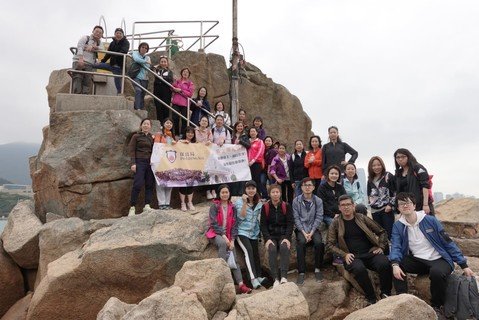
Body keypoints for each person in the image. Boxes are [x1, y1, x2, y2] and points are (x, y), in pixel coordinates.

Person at [390, 192, 474, 316]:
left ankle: (437, 306)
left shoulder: (429, 220)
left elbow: (447, 242)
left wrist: (463, 265)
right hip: (418, 260)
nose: (405, 206)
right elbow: (396, 245)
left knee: (437, 273)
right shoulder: (398, 225)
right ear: (398, 208)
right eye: (401, 204)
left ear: (414, 205)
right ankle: (403, 299)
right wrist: (395, 264)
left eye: (407, 203)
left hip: (439, 259)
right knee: (394, 264)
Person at [327, 195, 393, 305]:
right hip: (352, 256)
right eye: (343, 205)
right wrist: (344, 255)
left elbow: (382, 232)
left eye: (348, 204)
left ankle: (386, 293)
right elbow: (330, 244)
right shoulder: (336, 223)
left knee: (384, 263)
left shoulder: (361, 218)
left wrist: (381, 247)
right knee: (359, 269)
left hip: (370, 253)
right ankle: (371, 297)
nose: (346, 207)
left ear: (353, 206)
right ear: (339, 208)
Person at [205, 184, 252, 294]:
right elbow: (214, 224)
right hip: (216, 234)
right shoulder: (214, 206)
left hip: (230, 236)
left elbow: (235, 225)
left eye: (227, 192)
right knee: (222, 244)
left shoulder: (232, 207)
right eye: (223, 192)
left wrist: (232, 240)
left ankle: (241, 284)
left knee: (234, 259)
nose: (225, 194)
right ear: (219, 194)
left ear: (229, 193)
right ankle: (223, 274)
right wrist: (226, 239)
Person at [260, 184, 294, 287]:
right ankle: (275, 278)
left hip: (283, 234)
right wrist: (267, 239)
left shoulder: (286, 206)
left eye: (277, 192)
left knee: (284, 248)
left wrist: (287, 238)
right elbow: (263, 225)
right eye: (273, 192)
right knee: (272, 250)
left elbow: (290, 223)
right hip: (271, 235)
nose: (275, 194)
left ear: (280, 193)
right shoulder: (265, 207)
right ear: (269, 194)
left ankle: (284, 276)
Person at [292, 177, 325, 285]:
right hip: (301, 229)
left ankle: (317, 268)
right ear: (301, 187)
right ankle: (301, 272)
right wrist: (304, 232)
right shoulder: (296, 201)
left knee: (319, 243)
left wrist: (310, 232)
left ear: (313, 187)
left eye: (309, 185)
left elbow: (319, 217)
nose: (307, 187)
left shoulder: (318, 201)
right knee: (301, 243)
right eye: (305, 185)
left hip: (313, 229)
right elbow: (296, 218)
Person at [235, 180, 265, 289]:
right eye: (248, 188)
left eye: (253, 188)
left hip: (254, 233)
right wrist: (244, 203)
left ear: (256, 190)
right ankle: (253, 279)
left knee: (256, 254)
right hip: (242, 233)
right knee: (248, 252)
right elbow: (241, 217)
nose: (251, 190)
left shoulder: (259, 203)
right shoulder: (239, 202)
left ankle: (259, 276)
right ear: (245, 190)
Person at [394, 148, 434, 214]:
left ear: (408, 157)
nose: (400, 159)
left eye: (403, 156)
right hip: (408, 207)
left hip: (421, 204)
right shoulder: (398, 173)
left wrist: (425, 204)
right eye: (397, 157)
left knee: (428, 223)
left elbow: (425, 185)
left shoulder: (417, 168)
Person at [128, 118, 155, 216]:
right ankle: (132, 207)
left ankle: (147, 205)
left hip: (150, 163)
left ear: (150, 126)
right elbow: (131, 150)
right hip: (139, 162)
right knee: (137, 184)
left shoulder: (152, 138)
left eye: (148, 124)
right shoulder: (136, 136)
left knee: (149, 184)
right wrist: (133, 163)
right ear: (141, 125)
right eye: (144, 124)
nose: (146, 125)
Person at [367, 156, 396, 240]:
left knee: (389, 233)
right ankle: (384, 252)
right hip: (375, 211)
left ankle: (393, 252)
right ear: (371, 167)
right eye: (374, 165)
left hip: (386, 209)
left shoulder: (388, 176)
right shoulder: (370, 179)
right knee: (380, 234)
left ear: (382, 165)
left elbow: (395, 192)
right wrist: (371, 204)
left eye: (378, 165)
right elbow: (369, 194)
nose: (376, 167)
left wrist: (390, 205)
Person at [94, 27, 130, 94]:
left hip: (119, 67)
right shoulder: (112, 43)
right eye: (117, 33)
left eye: (120, 33)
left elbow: (124, 51)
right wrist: (102, 61)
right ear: (115, 34)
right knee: (94, 65)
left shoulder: (126, 42)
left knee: (118, 83)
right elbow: (108, 54)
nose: (118, 34)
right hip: (111, 65)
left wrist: (114, 55)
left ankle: (119, 95)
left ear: (123, 35)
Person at [72, 25, 104, 94]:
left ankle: (84, 95)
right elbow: (80, 46)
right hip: (79, 60)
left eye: (100, 33)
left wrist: (94, 47)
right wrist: (80, 59)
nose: (98, 33)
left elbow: (102, 49)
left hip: (89, 64)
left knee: (87, 80)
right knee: (78, 77)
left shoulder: (99, 43)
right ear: (93, 31)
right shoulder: (85, 38)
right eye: (96, 31)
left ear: (102, 35)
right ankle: (76, 95)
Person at [154, 118, 176, 209]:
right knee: (160, 183)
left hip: (170, 163)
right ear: (163, 124)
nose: (169, 124)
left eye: (171, 123)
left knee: (169, 183)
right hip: (160, 162)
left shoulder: (172, 137)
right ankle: (161, 203)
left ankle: (167, 203)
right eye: (167, 122)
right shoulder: (159, 135)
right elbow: (156, 146)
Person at [194, 115, 214, 200]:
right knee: (203, 173)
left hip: (207, 154)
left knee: (210, 172)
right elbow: (196, 140)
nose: (204, 122)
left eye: (206, 121)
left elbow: (211, 140)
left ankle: (212, 189)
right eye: (203, 120)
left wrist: (208, 142)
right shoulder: (195, 130)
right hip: (198, 155)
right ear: (199, 122)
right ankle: (207, 191)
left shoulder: (209, 131)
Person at [171, 67, 195, 137]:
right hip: (176, 102)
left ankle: (183, 134)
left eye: (187, 72)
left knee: (184, 120)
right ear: (181, 73)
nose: (185, 73)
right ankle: (176, 134)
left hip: (185, 104)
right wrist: (174, 85)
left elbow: (190, 94)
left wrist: (180, 91)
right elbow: (172, 88)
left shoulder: (190, 83)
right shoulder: (178, 81)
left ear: (189, 74)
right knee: (175, 118)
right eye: (184, 71)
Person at [178, 127, 197, 211]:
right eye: (188, 132)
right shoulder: (180, 142)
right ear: (185, 133)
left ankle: (190, 202)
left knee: (191, 184)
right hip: (182, 166)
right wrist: (181, 142)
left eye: (192, 133)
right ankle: (183, 203)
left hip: (192, 166)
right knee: (182, 184)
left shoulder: (195, 143)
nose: (190, 134)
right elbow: (172, 144)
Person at [230, 121, 250, 196]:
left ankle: (241, 193)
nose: (239, 128)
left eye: (241, 126)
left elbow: (248, 145)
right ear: (235, 127)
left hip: (242, 160)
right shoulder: (233, 135)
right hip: (233, 159)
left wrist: (240, 141)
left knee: (242, 176)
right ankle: (234, 194)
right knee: (234, 176)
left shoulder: (245, 136)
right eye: (238, 126)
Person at [152, 56, 174, 123]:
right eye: (162, 61)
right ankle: (159, 123)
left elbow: (170, 79)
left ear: (167, 63)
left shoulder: (169, 71)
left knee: (165, 108)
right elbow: (150, 68)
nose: (163, 63)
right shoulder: (157, 70)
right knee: (158, 108)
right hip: (157, 91)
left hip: (166, 92)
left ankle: (165, 123)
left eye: (165, 62)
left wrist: (161, 78)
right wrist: (155, 67)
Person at [248, 127, 267, 199]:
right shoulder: (247, 141)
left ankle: (258, 196)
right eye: (251, 131)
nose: (252, 133)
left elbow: (260, 152)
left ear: (256, 133)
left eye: (254, 131)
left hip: (256, 164)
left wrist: (253, 160)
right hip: (247, 164)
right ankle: (250, 197)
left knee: (256, 180)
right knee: (249, 180)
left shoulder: (260, 142)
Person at [132, 42, 151, 110]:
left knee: (142, 94)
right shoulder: (135, 53)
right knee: (138, 90)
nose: (144, 49)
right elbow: (136, 59)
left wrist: (141, 62)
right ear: (139, 48)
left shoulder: (147, 57)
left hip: (145, 78)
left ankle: (140, 107)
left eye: (146, 48)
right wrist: (145, 62)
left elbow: (148, 66)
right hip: (136, 76)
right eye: (142, 47)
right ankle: (137, 108)